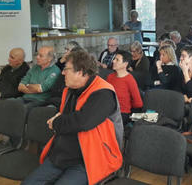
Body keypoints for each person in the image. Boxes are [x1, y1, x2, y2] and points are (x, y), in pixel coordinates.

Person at [23, 50, 123, 185]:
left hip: (89, 159)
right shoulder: (70, 89)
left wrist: (57, 121)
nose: (63, 73)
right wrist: (60, 118)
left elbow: (82, 121)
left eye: (66, 69)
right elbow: (69, 117)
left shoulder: (103, 92)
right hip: (63, 154)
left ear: (80, 72)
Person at [106, 50, 143, 125]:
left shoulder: (129, 80)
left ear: (125, 64)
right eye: (114, 59)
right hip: (108, 110)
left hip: (122, 113)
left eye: (117, 60)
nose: (113, 61)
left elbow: (138, 103)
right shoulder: (110, 77)